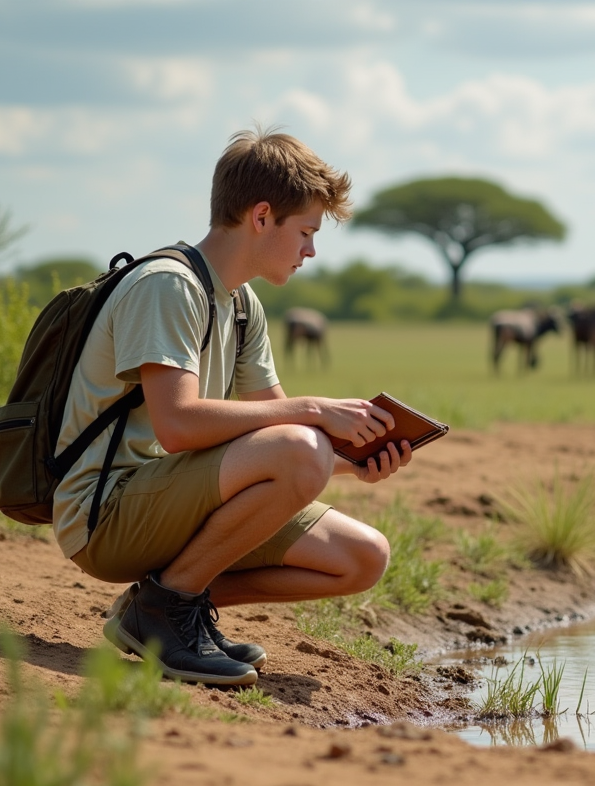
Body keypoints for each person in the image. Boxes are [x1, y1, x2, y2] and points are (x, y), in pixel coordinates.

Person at [53, 126, 412, 686]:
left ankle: (167, 604)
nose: (311, 251)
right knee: (301, 442)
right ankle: (167, 606)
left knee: (363, 556)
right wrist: (313, 410)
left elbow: (271, 441)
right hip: (106, 513)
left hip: (168, 499)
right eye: (307, 232)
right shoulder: (168, 286)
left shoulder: (244, 306)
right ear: (262, 216)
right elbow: (178, 425)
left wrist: (355, 462)